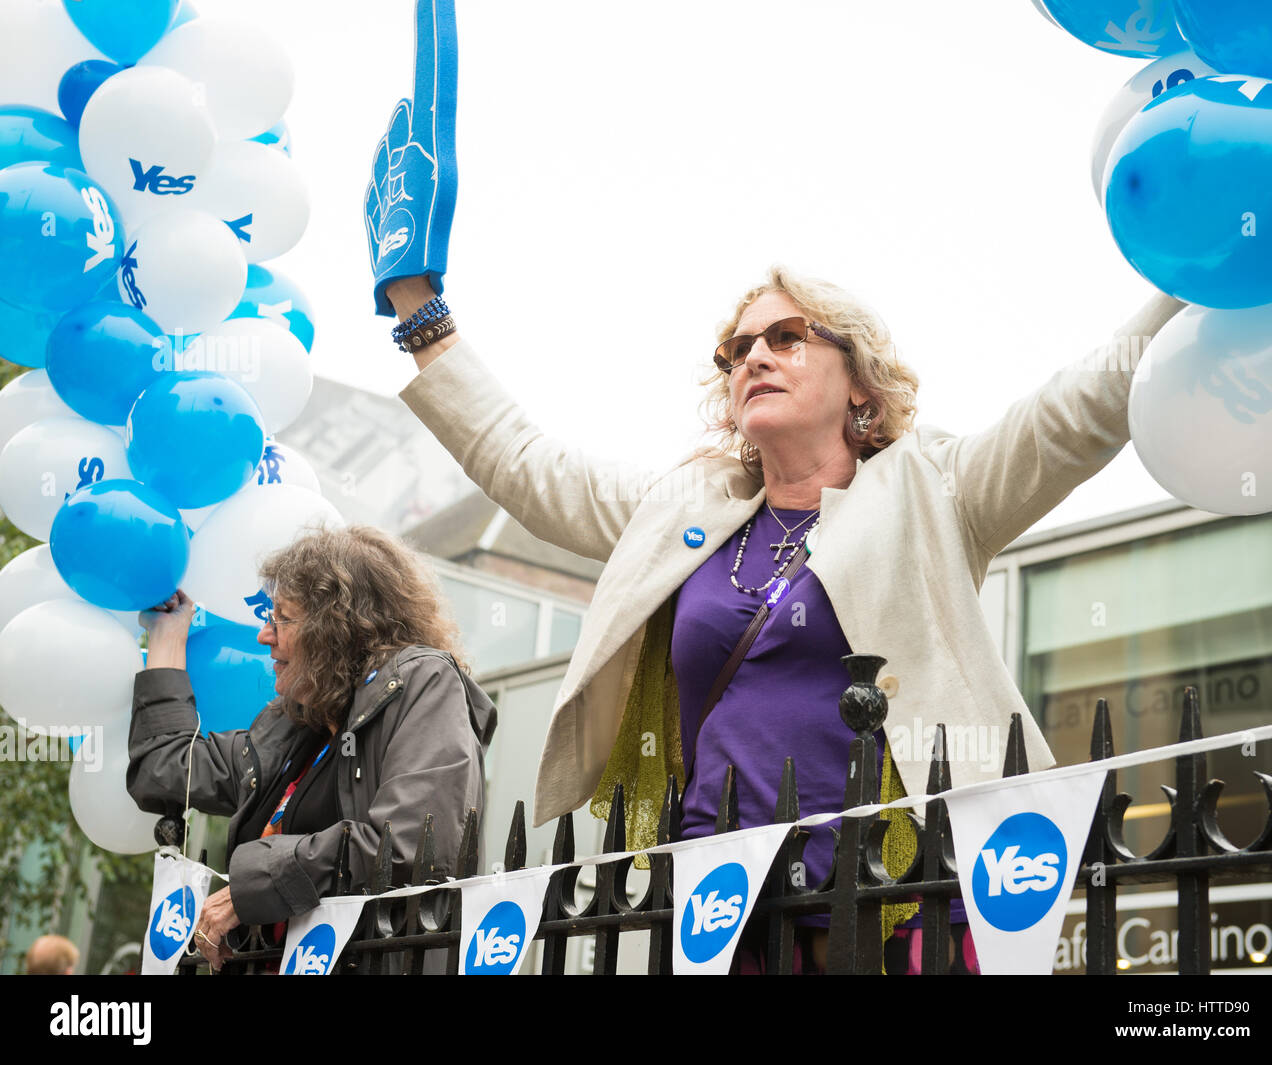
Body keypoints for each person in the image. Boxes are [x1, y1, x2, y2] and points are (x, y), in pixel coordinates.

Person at [365, 10, 1185, 971]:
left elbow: (1085, 403)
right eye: (737, 348)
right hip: (724, 907)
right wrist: (420, 308)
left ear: (861, 380)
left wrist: (1202, 258)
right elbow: (524, 464)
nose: (753, 354)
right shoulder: (688, 506)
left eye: (786, 337)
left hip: (898, 899)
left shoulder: (936, 489)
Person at [127, 525, 496, 971]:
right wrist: (168, 635)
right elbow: (164, 772)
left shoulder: (425, 684)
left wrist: (251, 890)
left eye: (281, 617)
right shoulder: (297, 723)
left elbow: (411, 846)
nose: (266, 635)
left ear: (335, 627)